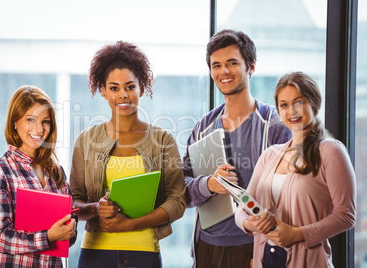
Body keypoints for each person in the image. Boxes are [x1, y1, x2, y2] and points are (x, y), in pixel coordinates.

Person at [70, 40, 186, 268]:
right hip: (95, 253)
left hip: (143, 253)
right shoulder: (86, 140)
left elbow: (178, 201)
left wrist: (131, 224)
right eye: (114, 88)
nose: (123, 95)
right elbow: (73, 201)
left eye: (130, 87)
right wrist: (96, 208)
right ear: (103, 91)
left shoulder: (162, 140)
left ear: (141, 87)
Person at [182, 29, 292, 268]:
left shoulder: (274, 126)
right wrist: (208, 184)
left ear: (251, 66)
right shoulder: (203, 127)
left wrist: (265, 252)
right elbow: (180, 188)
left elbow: (290, 194)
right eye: (216, 65)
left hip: (254, 247)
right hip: (207, 248)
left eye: (232, 63)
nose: (224, 71)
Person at [235, 71, 356, 267]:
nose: (291, 111)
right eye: (284, 105)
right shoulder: (270, 155)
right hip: (265, 259)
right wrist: (248, 224)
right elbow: (243, 205)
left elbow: (346, 215)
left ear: (314, 102)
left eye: (298, 102)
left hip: (309, 261)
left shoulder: (330, 151)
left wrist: (297, 234)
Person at [0, 85, 77, 267]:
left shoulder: (56, 171)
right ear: (14, 123)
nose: (39, 129)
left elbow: (68, 235)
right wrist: (48, 236)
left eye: (45, 121)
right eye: (31, 120)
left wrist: (70, 230)